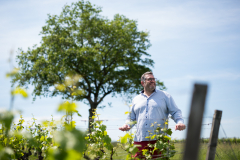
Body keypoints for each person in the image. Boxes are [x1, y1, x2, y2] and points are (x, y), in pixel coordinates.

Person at [119, 71, 186, 159]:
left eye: (153, 79)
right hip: (139, 141)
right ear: (142, 83)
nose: (152, 81)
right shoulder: (136, 99)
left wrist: (180, 122)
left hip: (159, 141)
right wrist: (127, 125)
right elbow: (131, 118)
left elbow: (175, 111)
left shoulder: (165, 96)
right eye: (149, 79)